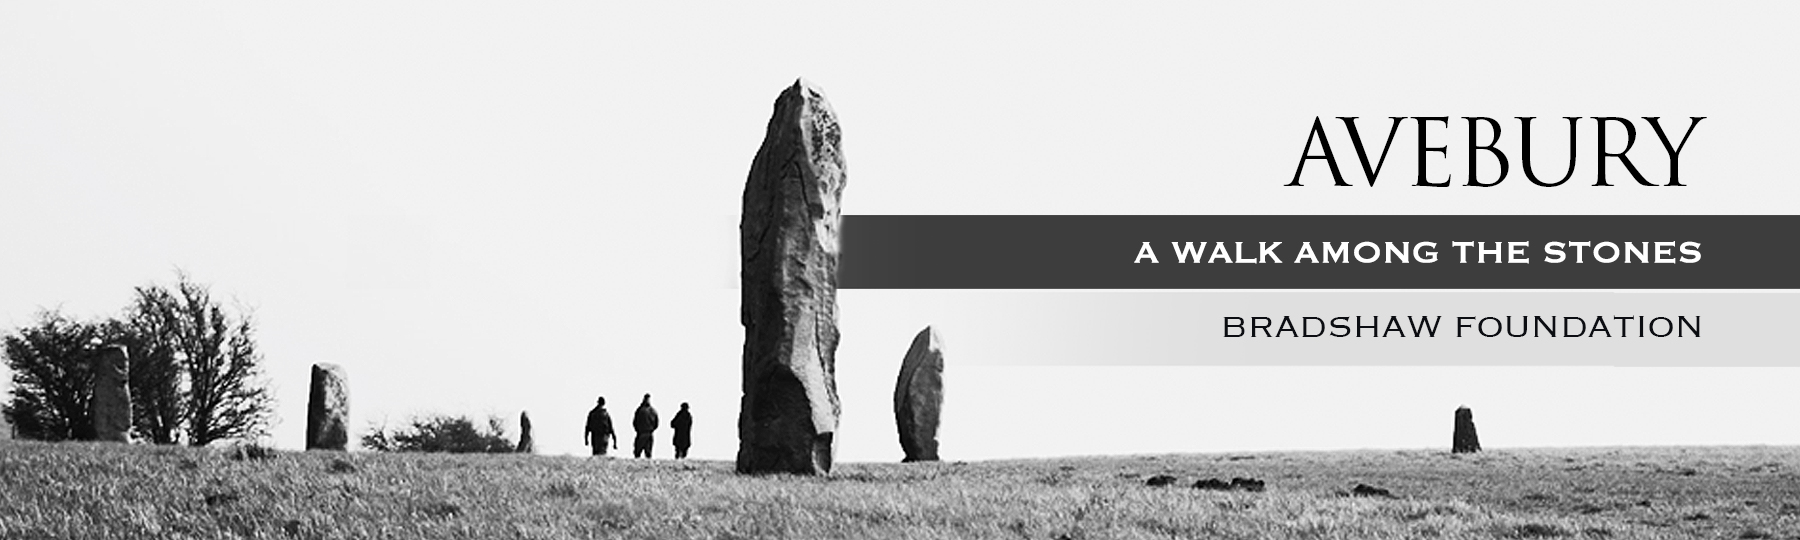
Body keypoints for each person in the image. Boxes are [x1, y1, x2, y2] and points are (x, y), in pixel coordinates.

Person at [632, 393, 659, 458]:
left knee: (640, 452)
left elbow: (635, 422)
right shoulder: (652, 410)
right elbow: (656, 423)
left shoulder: (640, 410)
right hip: (646, 433)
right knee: (644, 453)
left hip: (644, 433)